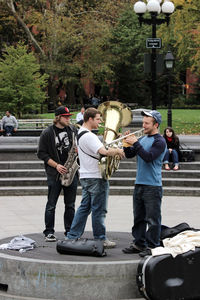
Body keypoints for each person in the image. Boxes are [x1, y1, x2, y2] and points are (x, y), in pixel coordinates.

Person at [66, 107, 124, 248]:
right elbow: (103, 151)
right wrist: (117, 150)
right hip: (96, 176)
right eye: (98, 119)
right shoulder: (89, 136)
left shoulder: (81, 133)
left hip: (87, 175)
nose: (100, 122)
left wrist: (120, 140)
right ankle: (100, 238)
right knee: (99, 209)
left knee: (85, 207)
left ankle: (73, 235)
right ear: (90, 119)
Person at [122, 110, 166, 257]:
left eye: (147, 123)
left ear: (156, 125)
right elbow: (129, 155)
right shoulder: (142, 139)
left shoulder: (160, 141)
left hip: (153, 185)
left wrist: (135, 142)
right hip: (139, 183)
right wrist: (126, 143)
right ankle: (139, 243)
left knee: (153, 219)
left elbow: (148, 157)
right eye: (143, 122)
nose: (143, 125)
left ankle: (153, 246)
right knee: (138, 217)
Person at [37, 106, 78, 242]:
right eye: (66, 116)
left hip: (71, 172)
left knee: (70, 205)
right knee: (51, 204)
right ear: (58, 117)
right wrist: (56, 165)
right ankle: (49, 231)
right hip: (54, 173)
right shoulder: (47, 133)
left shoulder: (72, 130)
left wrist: (79, 150)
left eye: (69, 116)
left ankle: (70, 231)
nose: (68, 119)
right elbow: (41, 153)